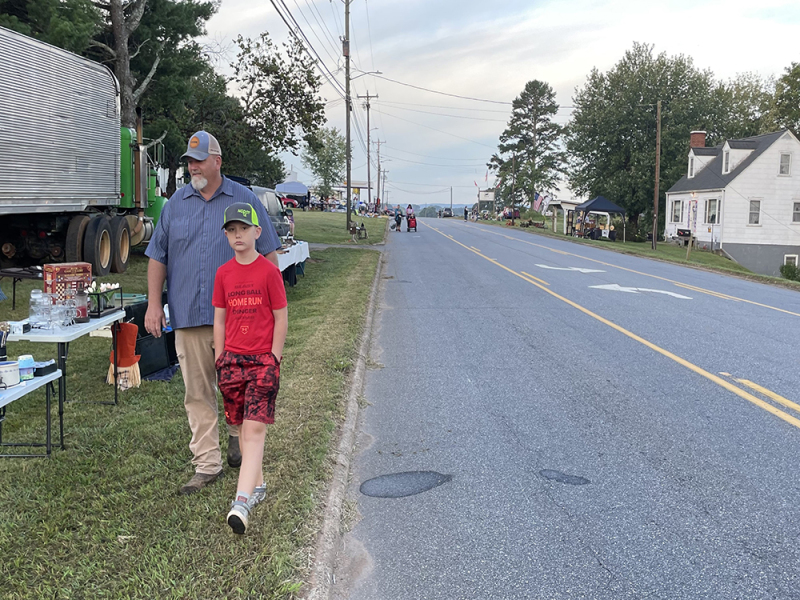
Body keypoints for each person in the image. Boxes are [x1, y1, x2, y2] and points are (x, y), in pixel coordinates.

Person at [144, 130, 282, 495]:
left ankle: (238, 437)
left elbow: (268, 254)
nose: (192, 167)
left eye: (199, 160)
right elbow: (158, 256)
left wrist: (271, 310)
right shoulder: (175, 204)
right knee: (197, 392)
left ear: (217, 161)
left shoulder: (244, 199)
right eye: (189, 161)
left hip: (241, 321)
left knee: (236, 387)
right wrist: (155, 304)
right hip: (188, 315)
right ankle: (207, 464)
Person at [213, 202, 288, 534]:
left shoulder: (269, 272)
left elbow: (281, 316)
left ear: (258, 232)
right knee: (241, 427)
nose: (237, 235)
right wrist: (220, 356)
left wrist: (274, 357)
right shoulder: (223, 274)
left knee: (255, 429)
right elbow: (220, 318)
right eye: (231, 230)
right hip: (232, 361)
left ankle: (241, 502)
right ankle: (257, 486)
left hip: (262, 362)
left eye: (243, 228)